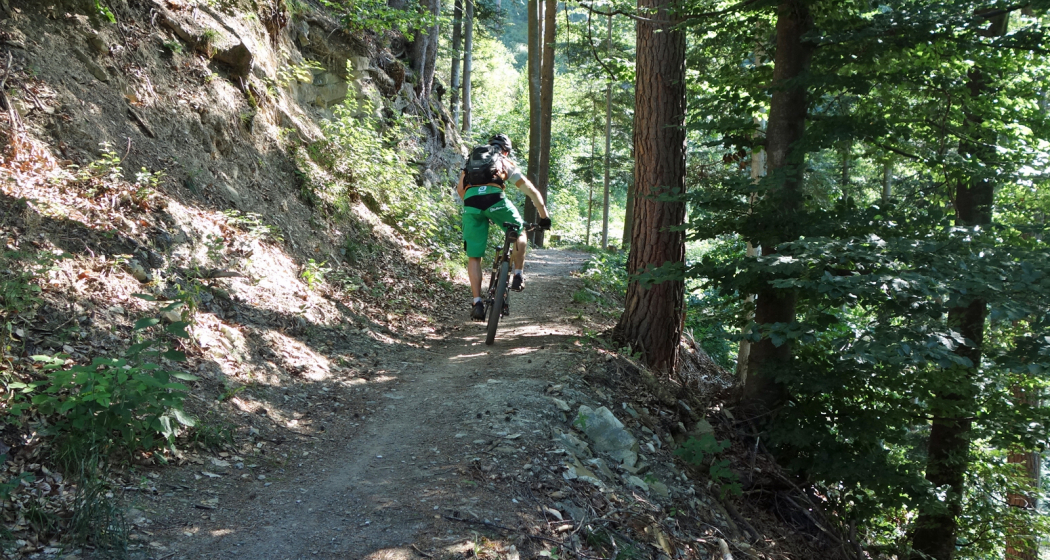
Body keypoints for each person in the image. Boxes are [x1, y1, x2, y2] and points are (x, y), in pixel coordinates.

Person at [456, 134, 551, 321]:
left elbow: (460, 190)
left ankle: (477, 303)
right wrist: (544, 217)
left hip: (471, 203)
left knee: (474, 256)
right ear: (506, 151)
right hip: (495, 200)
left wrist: (477, 209)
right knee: (519, 231)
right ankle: (517, 274)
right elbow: (531, 191)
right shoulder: (503, 161)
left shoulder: (472, 161)